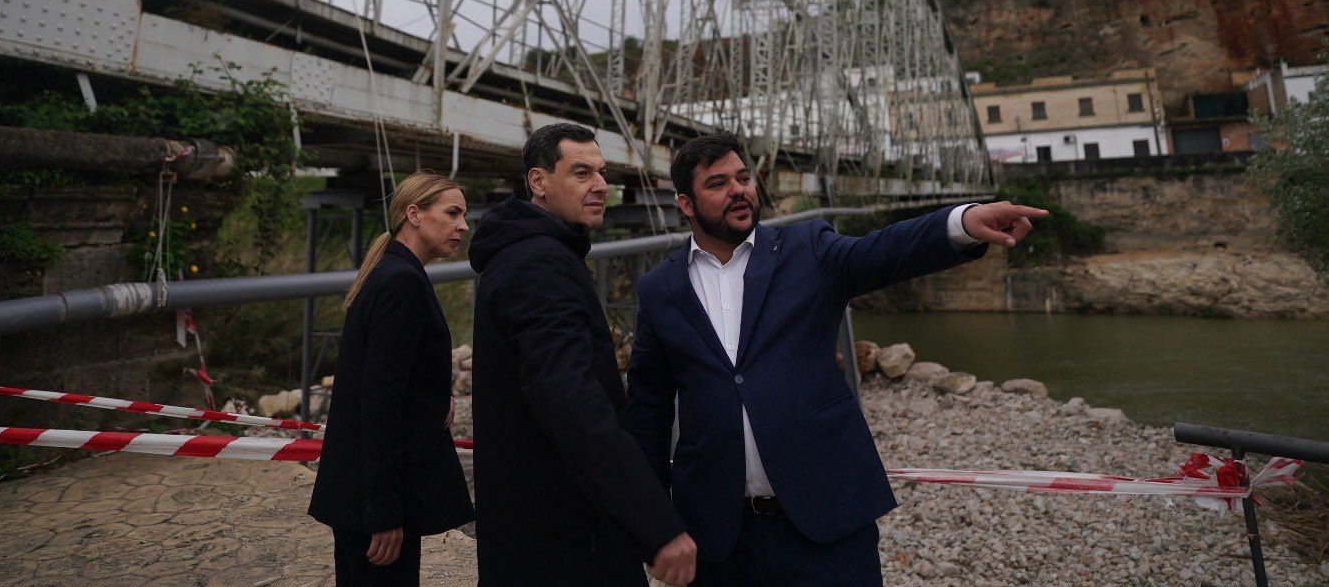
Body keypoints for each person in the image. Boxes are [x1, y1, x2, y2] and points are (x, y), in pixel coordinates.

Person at [626, 132, 1046, 585]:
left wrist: (961, 222)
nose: (738, 190)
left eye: (743, 178)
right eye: (718, 183)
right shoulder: (659, 289)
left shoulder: (808, 248)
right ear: (686, 205)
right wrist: (656, 527)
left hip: (825, 522)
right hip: (719, 539)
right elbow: (647, 416)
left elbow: (882, 251)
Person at [469, 122, 699, 586]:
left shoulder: (528, 252)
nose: (600, 186)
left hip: (535, 528)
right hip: (563, 540)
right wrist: (654, 523)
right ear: (538, 182)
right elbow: (571, 400)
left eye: (602, 172)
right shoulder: (541, 265)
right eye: (580, 173)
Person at [308, 170, 475, 585]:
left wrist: (438, 398)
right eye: (452, 213)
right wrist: (383, 512)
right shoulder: (402, 282)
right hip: (373, 505)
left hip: (357, 493)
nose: (464, 226)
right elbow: (379, 403)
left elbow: (385, 381)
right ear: (413, 214)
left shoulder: (390, 272)